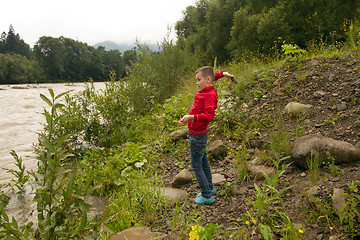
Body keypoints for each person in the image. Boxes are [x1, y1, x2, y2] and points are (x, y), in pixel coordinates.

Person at [179, 66, 235, 205]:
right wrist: (223, 74)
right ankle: (209, 187)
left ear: (207, 80)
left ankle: (206, 196)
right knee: (203, 162)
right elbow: (211, 76)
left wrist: (190, 117)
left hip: (198, 136)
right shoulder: (207, 87)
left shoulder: (209, 94)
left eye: (199, 80)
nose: (197, 83)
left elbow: (209, 116)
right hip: (198, 134)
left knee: (196, 166)